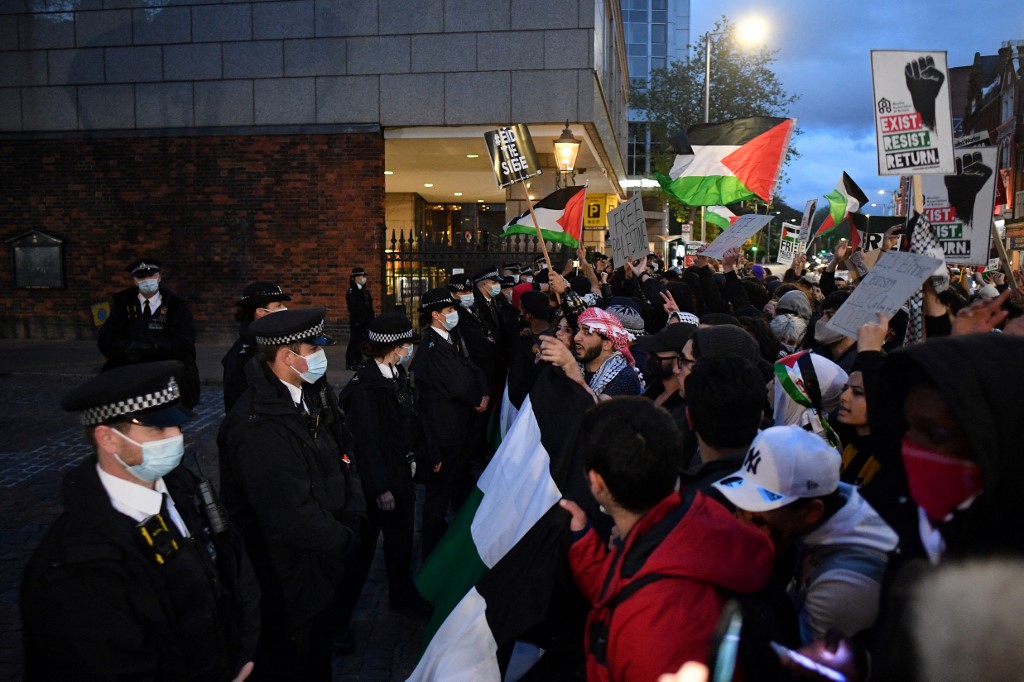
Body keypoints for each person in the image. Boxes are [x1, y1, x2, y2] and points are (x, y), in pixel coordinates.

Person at [22, 361, 260, 681]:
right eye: (157, 428)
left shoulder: (180, 485)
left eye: (176, 424)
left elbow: (230, 561)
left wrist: (243, 650)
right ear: (107, 439)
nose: (176, 436)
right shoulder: (78, 565)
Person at [558, 398, 774, 681]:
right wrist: (585, 541)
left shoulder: (659, 629)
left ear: (597, 483)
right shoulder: (688, 523)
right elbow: (623, 586)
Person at [217, 307, 365, 680]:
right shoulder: (257, 425)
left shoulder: (308, 394)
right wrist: (345, 542)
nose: (321, 356)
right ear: (286, 356)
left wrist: (352, 514)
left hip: (318, 565)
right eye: (313, 349)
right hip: (289, 578)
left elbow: (343, 455)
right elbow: (289, 514)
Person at [713, 426, 898, 644]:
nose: (740, 521)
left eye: (757, 515)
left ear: (812, 512)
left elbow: (797, 664)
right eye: (741, 507)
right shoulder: (831, 496)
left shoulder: (843, 584)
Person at [337, 313, 432, 625]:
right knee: (361, 554)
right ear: (391, 346)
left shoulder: (395, 372)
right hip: (379, 483)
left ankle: (401, 595)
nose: (408, 349)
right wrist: (380, 488)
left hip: (400, 472)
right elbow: (366, 443)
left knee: (401, 543)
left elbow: (408, 418)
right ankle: (339, 620)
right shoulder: (365, 388)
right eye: (405, 344)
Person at [410, 287, 489, 559]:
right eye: (449, 311)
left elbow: (472, 367)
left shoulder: (450, 338)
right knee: (438, 495)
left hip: (458, 427)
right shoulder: (433, 348)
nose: (454, 314)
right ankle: (430, 551)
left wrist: (482, 390)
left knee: (456, 484)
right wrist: (476, 395)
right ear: (435, 315)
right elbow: (458, 381)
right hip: (444, 432)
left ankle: (452, 533)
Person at [97, 258, 200, 408]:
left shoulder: (176, 306)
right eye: (141, 278)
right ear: (135, 281)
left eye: (151, 276)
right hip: (130, 376)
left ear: (159, 277)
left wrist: (155, 346)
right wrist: (128, 346)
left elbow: (185, 340)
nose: (147, 281)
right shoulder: (122, 304)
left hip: (166, 377)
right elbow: (105, 340)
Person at [222, 281, 291, 413]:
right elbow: (238, 405)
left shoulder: (273, 341)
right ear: (260, 311)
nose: (284, 308)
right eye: (279, 305)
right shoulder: (243, 355)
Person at [345, 266, 374, 370]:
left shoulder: (365, 292)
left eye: (363, 276)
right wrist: (358, 321)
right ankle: (350, 362)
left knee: (362, 341)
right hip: (357, 322)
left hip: (366, 321)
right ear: (355, 278)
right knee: (354, 341)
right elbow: (353, 308)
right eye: (361, 276)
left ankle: (358, 359)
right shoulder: (352, 292)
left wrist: (371, 320)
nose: (363, 278)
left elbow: (369, 308)